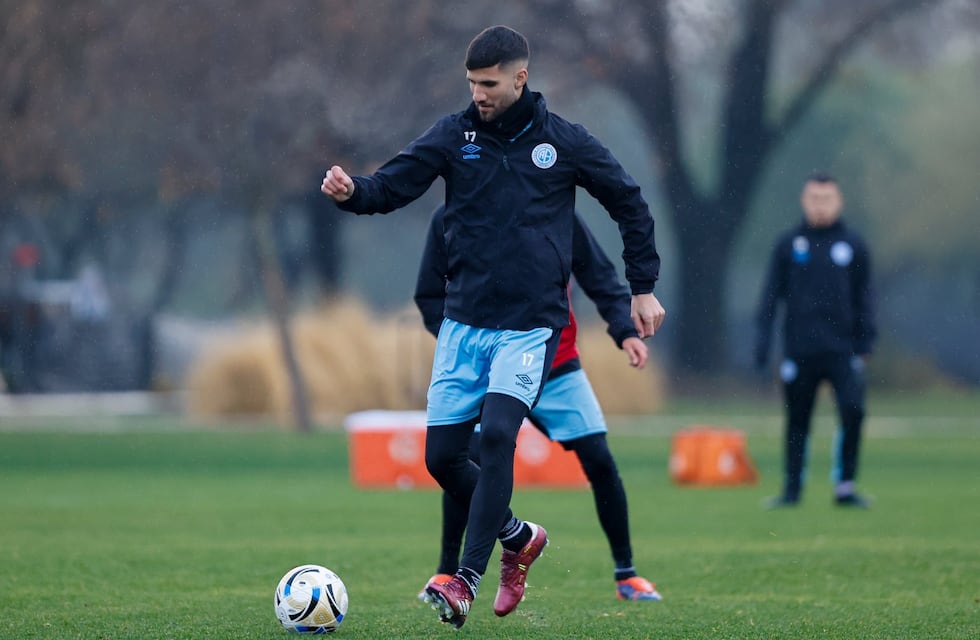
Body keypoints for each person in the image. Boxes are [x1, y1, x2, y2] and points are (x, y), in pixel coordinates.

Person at [321, 25, 665, 627]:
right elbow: (392, 185)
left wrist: (641, 289)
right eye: (472, 83)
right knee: (442, 459)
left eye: (488, 83)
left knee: (502, 435)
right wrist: (352, 193)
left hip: (531, 329)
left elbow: (628, 201)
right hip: (464, 328)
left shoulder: (564, 142)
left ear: (520, 77)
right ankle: (519, 535)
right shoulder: (454, 137)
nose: (478, 93)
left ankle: (466, 580)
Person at [414, 206, 663, 603]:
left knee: (599, 458)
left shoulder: (555, 210)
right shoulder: (450, 215)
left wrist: (624, 330)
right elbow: (429, 295)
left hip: (557, 363)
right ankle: (448, 572)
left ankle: (627, 574)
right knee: (462, 456)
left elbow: (599, 276)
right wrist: (456, 348)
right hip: (487, 367)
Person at [754, 172, 877, 509]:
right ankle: (792, 490)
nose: (820, 206)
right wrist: (763, 342)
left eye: (827, 199)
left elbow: (865, 297)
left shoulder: (853, 246)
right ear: (803, 201)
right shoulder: (789, 245)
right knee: (797, 419)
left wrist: (866, 342)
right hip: (800, 349)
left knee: (853, 411)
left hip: (843, 349)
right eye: (814, 199)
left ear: (839, 202)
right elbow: (770, 297)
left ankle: (845, 486)